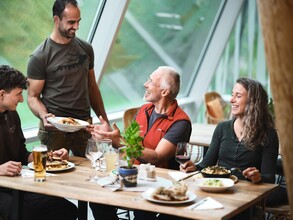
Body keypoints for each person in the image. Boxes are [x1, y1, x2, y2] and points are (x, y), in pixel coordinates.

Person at [88, 66, 192, 220]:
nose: (145, 84)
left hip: (160, 185)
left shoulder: (180, 122)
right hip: (132, 176)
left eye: (151, 81)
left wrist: (119, 142)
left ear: (164, 92)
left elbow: (157, 157)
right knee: (97, 200)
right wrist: (109, 135)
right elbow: (130, 146)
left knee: (142, 214)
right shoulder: (144, 110)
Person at [181, 77, 279, 219]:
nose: (232, 100)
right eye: (232, 95)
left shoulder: (268, 134)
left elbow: (269, 179)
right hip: (218, 188)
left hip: (245, 195)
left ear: (253, 102)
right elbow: (206, 164)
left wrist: (258, 177)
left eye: (238, 96)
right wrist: (193, 167)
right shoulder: (222, 128)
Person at [27, 0, 108, 157]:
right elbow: (32, 97)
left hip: (84, 126)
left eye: (78, 21)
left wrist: (104, 120)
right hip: (54, 129)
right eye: (71, 22)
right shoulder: (39, 56)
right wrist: (44, 115)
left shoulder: (86, 48)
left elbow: (92, 87)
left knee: (91, 171)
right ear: (56, 20)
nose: (76, 27)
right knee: (52, 173)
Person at [0, 65, 77, 220]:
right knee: (29, 214)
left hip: (16, 184)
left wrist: (49, 157)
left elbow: (21, 153)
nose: (22, 99)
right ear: (2, 94)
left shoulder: (12, 116)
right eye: (18, 94)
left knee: (66, 209)